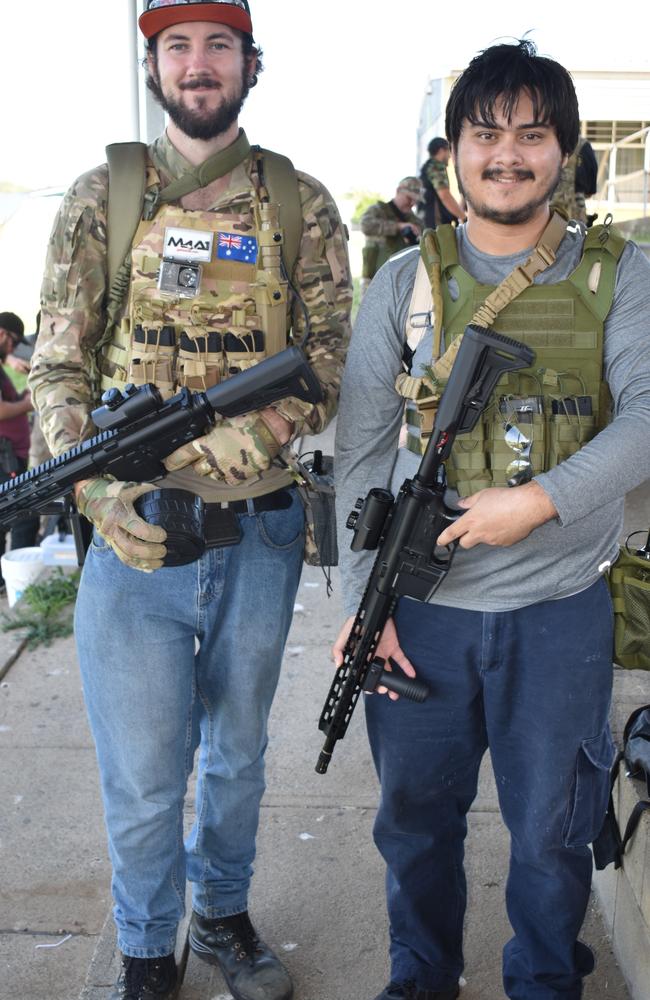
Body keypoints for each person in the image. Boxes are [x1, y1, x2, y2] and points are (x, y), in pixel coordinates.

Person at [29, 3, 351, 999]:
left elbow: (329, 358)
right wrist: (91, 490)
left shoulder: (300, 203)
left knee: (239, 755)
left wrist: (233, 439)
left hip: (256, 532)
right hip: (134, 544)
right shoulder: (102, 197)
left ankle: (219, 915)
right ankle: (143, 947)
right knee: (140, 776)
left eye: (218, 44)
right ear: (154, 64)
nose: (198, 64)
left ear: (253, 63)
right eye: (177, 46)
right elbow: (56, 367)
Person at [334, 39, 650, 1000]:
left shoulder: (619, 277)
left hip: (559, 612)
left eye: (533, 135)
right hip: (421, 615)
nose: (507, 154)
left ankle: (545, 983)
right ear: (452, 153)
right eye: (486, 134)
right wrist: (362, 603)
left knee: (554, 833)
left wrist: (540, 502)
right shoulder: (404, 283)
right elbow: (356, 451)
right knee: (414, 825)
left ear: (564, 154)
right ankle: (421, 977)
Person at [0, 311, 40, 591]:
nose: (14, 348)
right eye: (13, 342)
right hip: (5, 457)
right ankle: (14, 579)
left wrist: (8, 359)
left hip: (10, 454)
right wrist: (28, 404)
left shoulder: (4, 360)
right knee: (17, 514)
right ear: (2, 335)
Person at [360, 177, 423, 294]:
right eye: (409, 198)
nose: (412, 203)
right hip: (374, 277)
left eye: (416, 201)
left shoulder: (415, 221)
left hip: (402, 280)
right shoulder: (378, 211)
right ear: (398, 191)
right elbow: (365, 225)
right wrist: (398, 226)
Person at [550, 136, 599, 225]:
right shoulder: (583, 146)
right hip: (575, 214)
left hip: (546, 212)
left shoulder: (546, 142)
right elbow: (591, 190)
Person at [419, 138, 466, 228]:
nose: (450, 156)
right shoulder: (436, 167)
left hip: (426, 223)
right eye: (449, 151)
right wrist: (463, 217)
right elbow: (444, 196)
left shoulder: (426, 168)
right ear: (441, 150)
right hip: (436, 223)